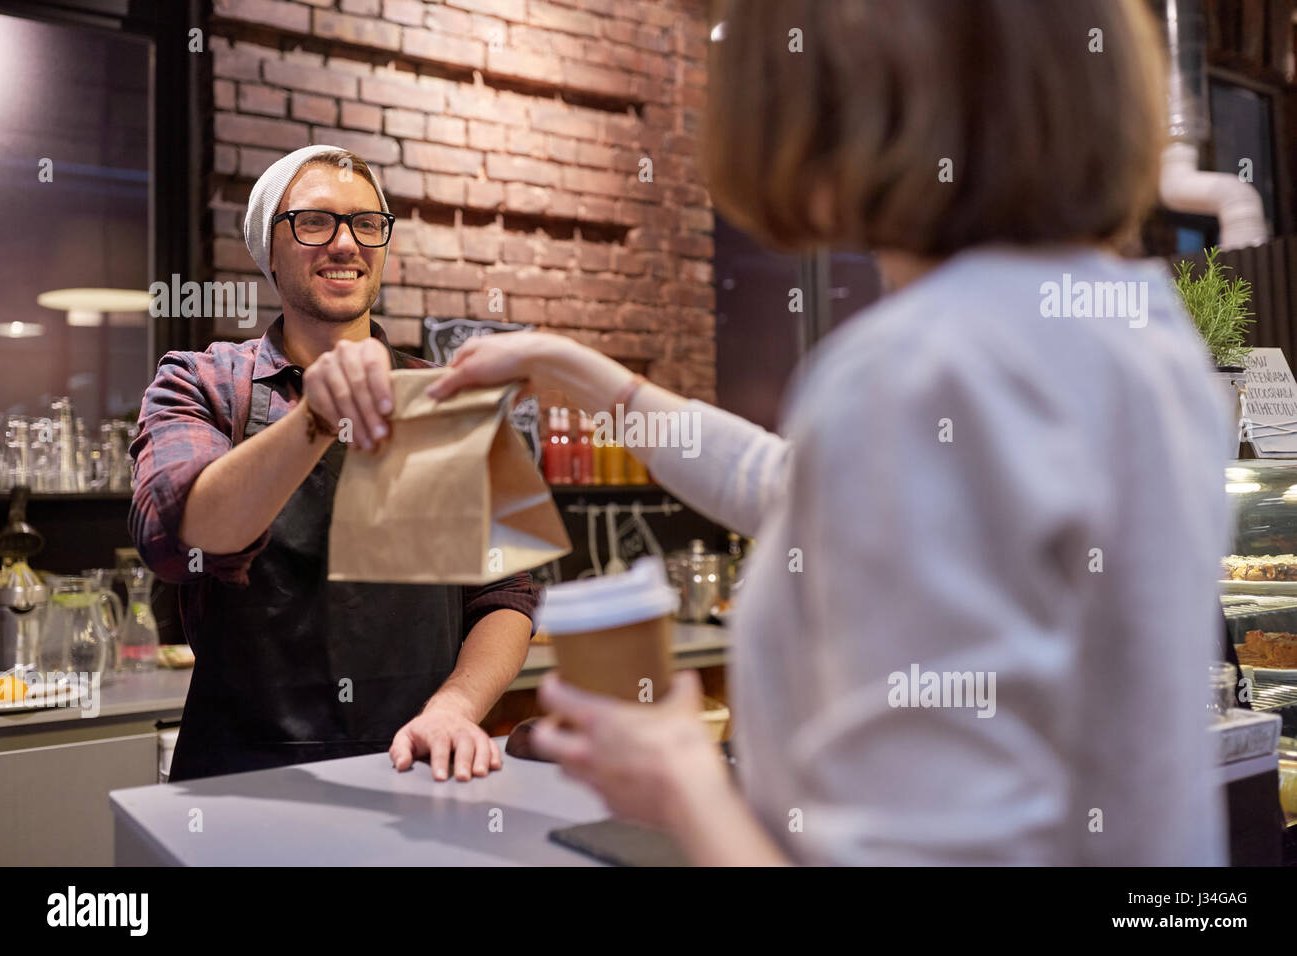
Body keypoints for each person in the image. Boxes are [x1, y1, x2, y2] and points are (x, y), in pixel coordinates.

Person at [427, 0, 1232, 864]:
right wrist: (596, 382)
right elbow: (800, 490)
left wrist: (680, 783)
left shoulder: (921, 366)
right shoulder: (1138, 333)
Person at [130, 146, 537, 782]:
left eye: (366, 223)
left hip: (419, 765)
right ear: (269, 249)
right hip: (241, 784)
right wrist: (313, 420)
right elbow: (176, 539)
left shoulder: (451, 400)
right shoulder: (202, 383)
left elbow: (508, 591)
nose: (345, 243)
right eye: (314, 222)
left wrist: (456, 707)